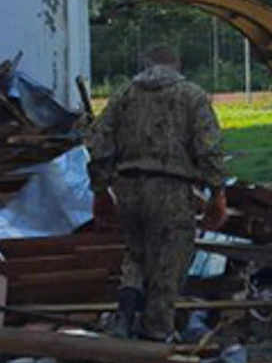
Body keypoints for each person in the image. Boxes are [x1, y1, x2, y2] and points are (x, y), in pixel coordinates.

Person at [86, 45, 227, 340]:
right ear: (178, 65)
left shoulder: (123, 95)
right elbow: (209, 149)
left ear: (145, 64)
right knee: (168, 261)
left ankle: (123, 317)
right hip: (171, 191)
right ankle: (157, 335)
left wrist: (100, 191)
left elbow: (98, 143)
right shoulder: (192, 96)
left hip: (127, 188)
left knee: (135, 255)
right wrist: (217, 194)